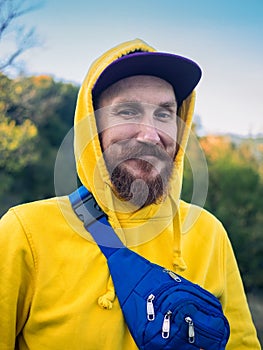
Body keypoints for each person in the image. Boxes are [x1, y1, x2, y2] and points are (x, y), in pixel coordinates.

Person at [0, 38, 260, 349]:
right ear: (92, 127)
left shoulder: (209, 234)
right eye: (127, 111)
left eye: (164, 114)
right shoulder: (26, 233)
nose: (150, 134)